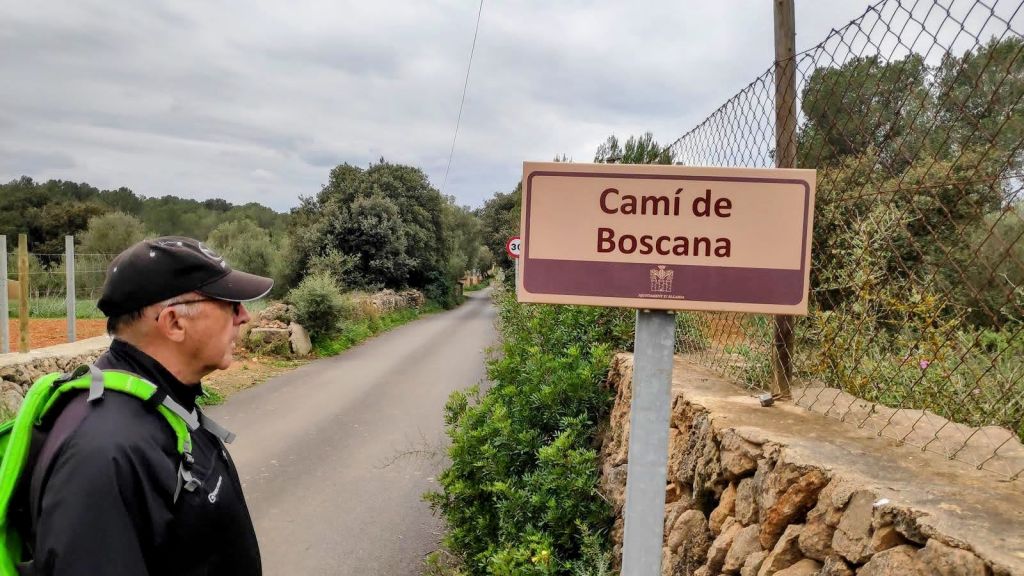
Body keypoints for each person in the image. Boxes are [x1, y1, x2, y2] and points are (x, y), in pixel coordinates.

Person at [28, 236, 270, 575]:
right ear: (174, 323)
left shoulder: (164, 403)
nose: (243, 317)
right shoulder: (104, 453)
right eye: (230, 304)